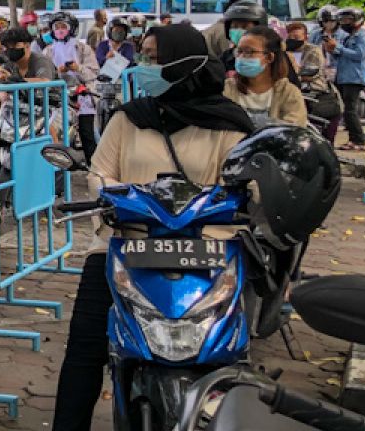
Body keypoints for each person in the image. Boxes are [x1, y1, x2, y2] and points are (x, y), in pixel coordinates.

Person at [52, 25, 254, 431]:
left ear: (183, 64)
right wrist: (128, 203)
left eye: (153, 57)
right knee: (85, 349)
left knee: (226, 348)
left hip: (207, 251)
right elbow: (100, 173)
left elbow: (244, 184)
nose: (143, 66)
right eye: (142, 55)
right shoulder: (130, 118)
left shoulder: (229, 124)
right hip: (126, 244)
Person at [223, 27, 307, 127]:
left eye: (249, 52)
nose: (241, 57)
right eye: (239, 51)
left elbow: (293, 132)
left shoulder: (288, 92)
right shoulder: (227, 88)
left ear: (269, 57)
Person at [43, 11, 101, 158]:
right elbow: (44, 75)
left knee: (87, 134)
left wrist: (78, 68)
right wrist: (58, 71)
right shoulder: (48, 51)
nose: (60, 30)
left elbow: (94, 72)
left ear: (72, 28)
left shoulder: (83, 49)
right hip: (56, 97)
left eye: (64, 26)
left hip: (82, 95)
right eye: (57, 27)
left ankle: (94, 167)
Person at [326, 7, 365, 152]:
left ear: (358, 20)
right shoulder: (348, 37)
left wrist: (338, 47)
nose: (345, 23)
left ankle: (358, 141)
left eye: (348, 20)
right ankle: (353, 139)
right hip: (343, 77)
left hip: (355, 77)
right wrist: (332, 49)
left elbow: (359, 55)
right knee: (344, 109)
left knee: (350, 110)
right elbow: (340, 56)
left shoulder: (363, 37)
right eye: (343, 20)